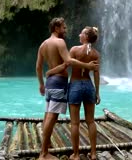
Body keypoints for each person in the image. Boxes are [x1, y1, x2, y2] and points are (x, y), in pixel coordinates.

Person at [36, 18, 98, 160]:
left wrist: (42, 82)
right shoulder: (60, 42)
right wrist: (88, 66)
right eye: (64, 28)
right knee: (52, 116)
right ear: (56, 28)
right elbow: (68, 62)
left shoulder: (43, 44)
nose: (65, 30)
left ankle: (48, 147)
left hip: (50, 83)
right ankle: (44, 153)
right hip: (60, 82)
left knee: (47, 114)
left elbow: (38, 67)